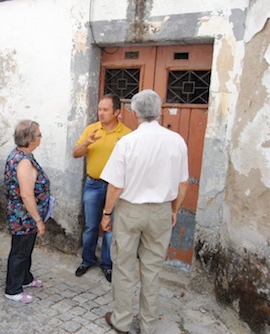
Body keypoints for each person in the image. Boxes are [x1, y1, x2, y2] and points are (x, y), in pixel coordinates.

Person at [100, 89, 189, 334]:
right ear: (159, 111)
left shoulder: (127, 142)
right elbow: (183, 183)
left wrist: (107, 213)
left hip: (130, 211)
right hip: (161, 210)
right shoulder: (177, 140)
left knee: (124, 265)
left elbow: (115, 185)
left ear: (134, 112)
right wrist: (173, 210)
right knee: (152, 268)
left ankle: (121, 320)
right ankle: (148, 326)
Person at [73, 94, 131, 281]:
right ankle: (87, 259)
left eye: (106, 110)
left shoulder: (127, 134)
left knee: (110, 228)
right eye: (99, 109)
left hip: (115, 188)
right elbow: (76, 153)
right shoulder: (91, 129)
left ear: (116, 112)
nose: (101, 113)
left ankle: (107, 264)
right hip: (93, 185)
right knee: (90, 225)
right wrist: (87, 143)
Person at [4, 120, 50, 304]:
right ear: (30, 139)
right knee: (20, 251)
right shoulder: (22, 161)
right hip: (23, 215)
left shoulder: (22, 154)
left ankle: (25, 278)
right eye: (38, 134)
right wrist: (38, 220)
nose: (41, 137)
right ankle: (12, 289)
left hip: (24, 213)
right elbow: (26, 194)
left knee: (26, 248)